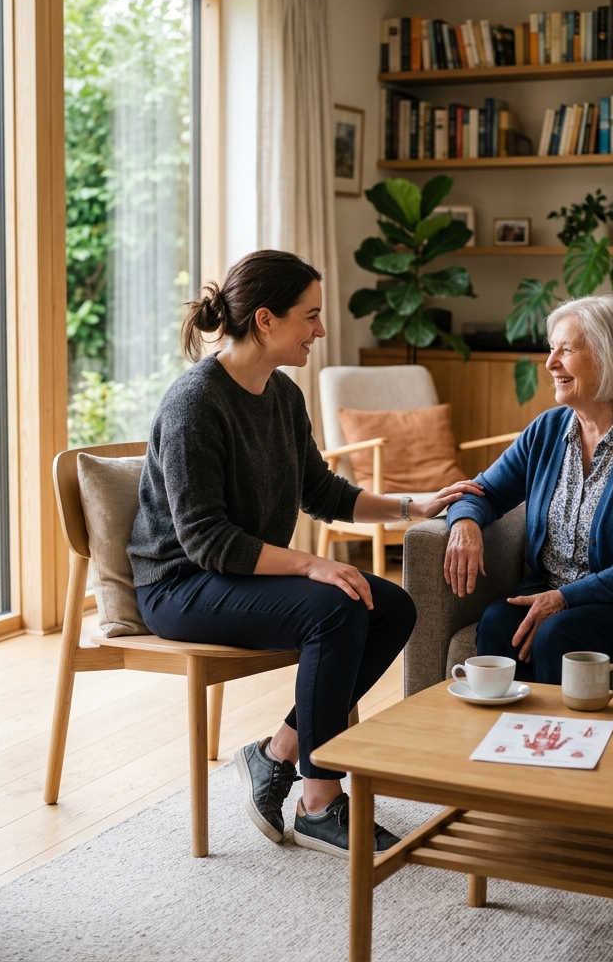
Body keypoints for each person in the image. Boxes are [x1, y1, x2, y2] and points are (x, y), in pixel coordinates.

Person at [127, 249, 483, 858]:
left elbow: (320, 490)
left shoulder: (281, 395)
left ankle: (277, 754)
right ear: (266, 320)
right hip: (181, 584)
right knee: (334, 605)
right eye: (310, 316)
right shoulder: (195, 403)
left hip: (239, 575)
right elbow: (205, 539)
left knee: (390, 604)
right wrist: (314, 564)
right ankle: (319, 799)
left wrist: (411, 507)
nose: (321, 331)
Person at [443, 295, 613, 685]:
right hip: (556, 592)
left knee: (560, 633)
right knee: (498, 621)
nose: (551, 363)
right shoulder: (547, 430)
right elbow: (481, 491)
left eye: (566, 350)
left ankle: (565, 743)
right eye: (552, 350)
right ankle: (511, 740)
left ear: (609, 356)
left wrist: (566, 598)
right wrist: (465, 523)